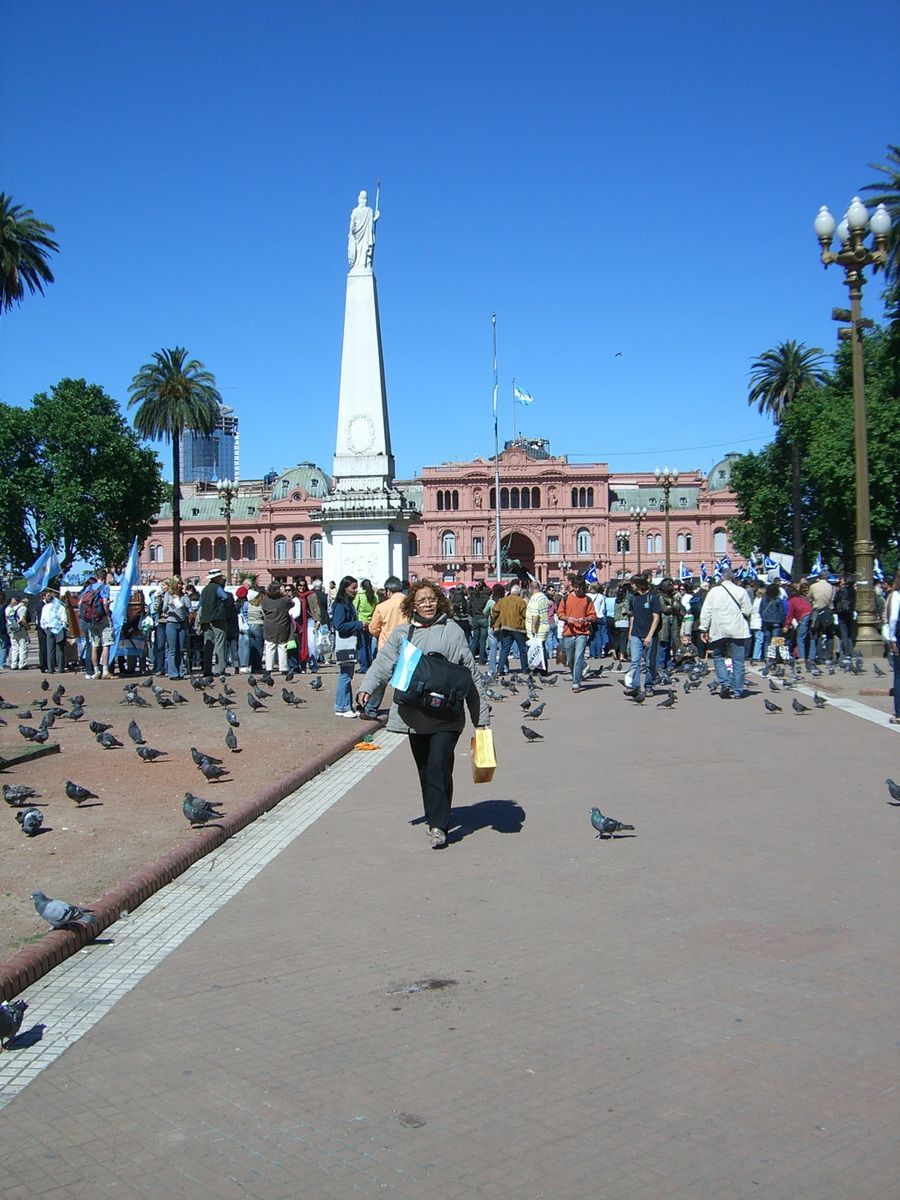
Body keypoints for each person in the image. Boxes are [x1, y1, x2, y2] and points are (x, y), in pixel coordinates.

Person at [357, 580, 490, 849]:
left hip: (447, 716)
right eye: (421, 601)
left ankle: (439, 825)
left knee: (439, 764)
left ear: (439, 601)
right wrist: (366, 688)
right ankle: (435, 814)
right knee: (426, 768)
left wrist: (481, 717)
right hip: (415, 714)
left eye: (431, 599)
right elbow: (383, 663)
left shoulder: (453, 630)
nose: (427, 604)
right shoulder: (403, 634)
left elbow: (470, 673)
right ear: (412, 606)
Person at [698, 569, 753, 697]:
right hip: (737, 629)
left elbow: (706, 611)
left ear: (721, 578)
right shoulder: (741, 591)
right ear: (733, 578)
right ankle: (738, 691)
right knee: (738, 661)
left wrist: (704, 628)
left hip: (718, 628)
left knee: (717, 656)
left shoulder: (714, 592)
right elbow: (748, 610)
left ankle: (725, 682)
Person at [362, 576, 407, 718]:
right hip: (407, 647)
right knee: (404, 680)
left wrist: (380, 634)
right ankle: (403, 710)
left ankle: (371, 709)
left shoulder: (382, 607)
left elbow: (373, 628)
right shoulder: (410, 604)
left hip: (386, 647)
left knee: (380, 680)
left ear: (388, 591)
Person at [332, 576, 365, 717]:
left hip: (349, 642)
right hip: (345, 643)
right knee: (345, 675)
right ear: (345, 588)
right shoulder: (341, 604)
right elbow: (339, 625)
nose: (355, 590)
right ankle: (342, 707)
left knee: (347, 675)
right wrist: (358, 624)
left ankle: (345, 705)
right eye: (353, 588)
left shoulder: (347, 603)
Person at [557, 576, 596, 691]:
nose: (578, 589)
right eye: (576, 587)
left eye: (580, 587)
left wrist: (586, 619)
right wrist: (567, 618)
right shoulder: (565, 599)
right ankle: (575, 675)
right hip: (568, 632)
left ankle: (576, 683)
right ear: (573, 586)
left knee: (579, 657)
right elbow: (560, 614)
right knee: (570, 659)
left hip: (582, 633)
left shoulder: (587, 599)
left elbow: (593, 616)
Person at [627, 574, 661, 693]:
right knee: (635, 662)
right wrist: (630, 632)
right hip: (636, 634)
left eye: (633, 584)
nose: (631, 586)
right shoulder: (633, 598)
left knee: (649, 663)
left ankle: (649, 686)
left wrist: (650, 635)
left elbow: (656, 617)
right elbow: (632, 616)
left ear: (639, 584)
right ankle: (635, 686)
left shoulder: (652, 598)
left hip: (649, 635)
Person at [492, 583, 528, 675]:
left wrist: (497, 622)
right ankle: (524, 669)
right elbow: (525, 614)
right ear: (518, 593)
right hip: (518, 628)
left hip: (505, 627)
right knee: (522, 649)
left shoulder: (503, 601)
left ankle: (500, 669)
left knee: (505, 650)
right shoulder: (521, 601)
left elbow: (495, 611)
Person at [198, 568, 228, 677]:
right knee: (220, 643)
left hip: (205, 619)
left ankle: (207, 670)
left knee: (208, 645)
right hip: (217, 619)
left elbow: (200, 604)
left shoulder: (204, 589)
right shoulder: (217, 588)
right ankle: (219, 669)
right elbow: (225, 597)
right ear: (217, 578)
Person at [162, 577, 191, 679]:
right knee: (172, 649)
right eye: (178, 583)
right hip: (171, 623)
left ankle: (180, 672)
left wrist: (185, 594)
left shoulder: (183, 595)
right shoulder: (168, 594)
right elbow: (164, 610)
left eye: (181, 584)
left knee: (181, 649)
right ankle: (173, 673)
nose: (180, 585)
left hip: (182, 624)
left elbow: (188, 605)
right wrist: (168, 604)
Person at [261, 581, 292, 673]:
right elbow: (292, 604)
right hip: (282, 625)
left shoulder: (265, 599)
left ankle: (269, 668)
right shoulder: (284, 600)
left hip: (269, 625)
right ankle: (283, 668)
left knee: (269, 647)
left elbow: (263, 609)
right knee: (282, 647)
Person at [347, 189, 379, 271]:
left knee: (361, 249)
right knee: (363, 249)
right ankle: (364, 265)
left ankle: (362, 266)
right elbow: (371, 222)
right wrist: (375, 218)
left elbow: (352, 223)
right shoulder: (369, 211)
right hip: (362, 237)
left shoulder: (359, 211)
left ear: (359, 199)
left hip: (361, 236)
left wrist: (350, 233)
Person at [884, 570, 900, 725]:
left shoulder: (896, 595)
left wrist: (892, 638)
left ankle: (899, 713)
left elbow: (894, 618)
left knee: (899, 676)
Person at [39, 588, 68, 673]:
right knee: (60, 649)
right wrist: (63, 627)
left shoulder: (45, 607)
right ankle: (60, 668)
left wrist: (46, 629)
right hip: (59, 629)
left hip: (49, 629)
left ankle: (50, 668)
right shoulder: (61, 607)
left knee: (50, 650)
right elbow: (64, 619)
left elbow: (42, 621)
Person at [525, 580, 551, 672]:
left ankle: (540, 669)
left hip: (538, 628)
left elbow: (535, 614)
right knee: (541, 648)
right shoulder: (544, 597)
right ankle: (542, 668)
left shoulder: (535, 599)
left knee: (537, 649)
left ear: (531, 588)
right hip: (544, 625)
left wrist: (533, 627)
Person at [353, 578, 379, 672]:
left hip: (361, 621)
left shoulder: (360, 595)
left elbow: (354, 607)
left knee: (362, 645)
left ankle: (364, 666)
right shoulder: (374, 596)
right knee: (368, 644)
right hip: (371, 621)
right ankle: (369, 664)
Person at [468, 581, 490, 665]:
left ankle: (471, 658)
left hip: (475, 618)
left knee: (475, 640)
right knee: (483, 641)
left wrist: (473, 614)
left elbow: (469, 609)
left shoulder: (472, 597)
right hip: (483, 618)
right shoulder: (486, 598)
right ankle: (481, 660)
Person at [6, 594, 29, 669]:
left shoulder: (12, 608)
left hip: (12, 629)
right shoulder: (23, 608)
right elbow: (22, 619)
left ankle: (13, 664)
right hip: (20, 629)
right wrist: (27, 627)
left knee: (15, 647)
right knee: (23, 646)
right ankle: (22, 664)